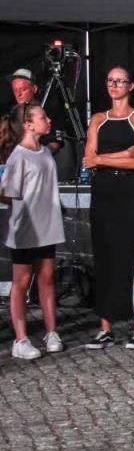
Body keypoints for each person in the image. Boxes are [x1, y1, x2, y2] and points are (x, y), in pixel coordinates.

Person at [83, 65, 134, 350]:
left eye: (120, 81)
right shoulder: (98, 118)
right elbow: (88, 159)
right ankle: (105, 326)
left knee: (132, 263)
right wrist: (122, 153)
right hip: (103, 194)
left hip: (129, 192)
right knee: (105, 259)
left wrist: (103, 158)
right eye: (110, 80)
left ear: (131, 86)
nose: (114, 85)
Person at [2, 103, 64, 359]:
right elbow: (9, 194)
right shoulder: (18, 156)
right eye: (42, 117)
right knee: (22, 282)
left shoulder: (44, 152)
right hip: (26, 229)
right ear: (28, 124)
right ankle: (21, 339)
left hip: (48, 225)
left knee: (47, 278)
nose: (48, 120)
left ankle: (51, 332)